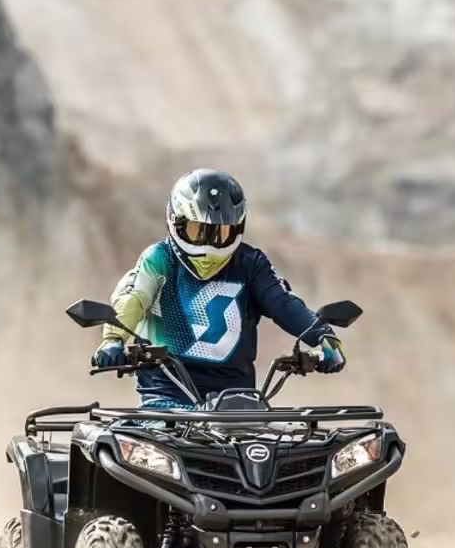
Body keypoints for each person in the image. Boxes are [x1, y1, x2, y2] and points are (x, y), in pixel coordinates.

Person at [92, 169, 345, 407]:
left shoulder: (252, 264)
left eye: (221, 232)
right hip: (165, 403)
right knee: (123, 440)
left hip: (236, 407)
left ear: (237, 227)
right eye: (198, 230)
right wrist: (113, 340)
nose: (209, 243)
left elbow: (283, 304)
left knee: (284, 439)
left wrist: (323, 336)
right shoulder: (159, 258)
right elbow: (134, 298)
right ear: (176, 222)